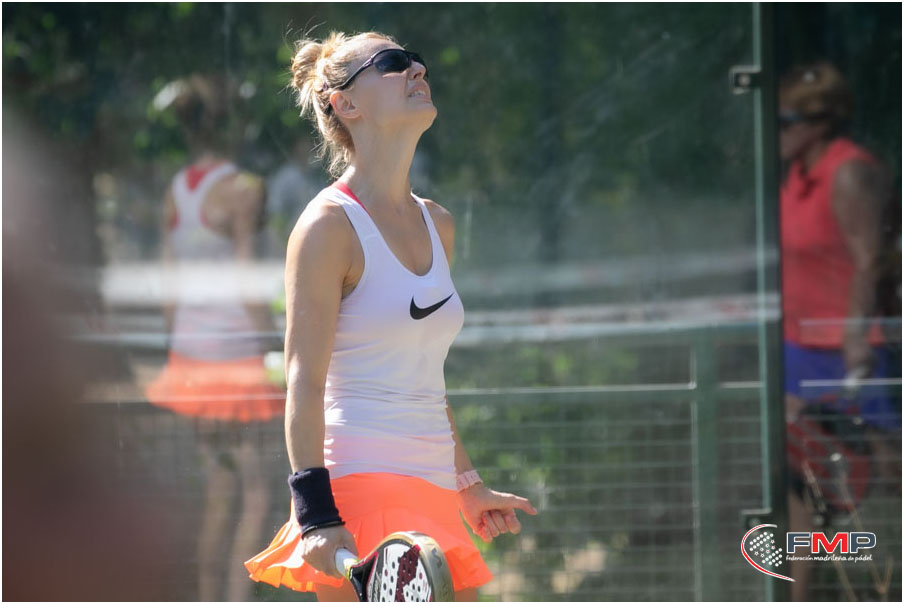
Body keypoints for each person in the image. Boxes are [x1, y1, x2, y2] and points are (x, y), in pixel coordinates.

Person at [244, 31, 537, 601]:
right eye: (393, 63)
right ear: (345, 103)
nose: (417, 70)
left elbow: (423, 375)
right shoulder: (327, 227)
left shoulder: (438, 224)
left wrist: (468, 484)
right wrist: (315, 515)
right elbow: (303, 381)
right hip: (358, 488)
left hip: (435, 491)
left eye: (416, 61)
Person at [145, 74, 285, 601]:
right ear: (234, 126)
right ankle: (234, 597)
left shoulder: (175, 190)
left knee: (219, 486)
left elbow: (169, 286)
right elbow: (248, 278)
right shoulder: (243, 189)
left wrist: (176, 348)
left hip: (193, 355)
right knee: (256, 491)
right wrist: (275, 341)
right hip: (238, 354)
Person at [779, 61, 899, 600]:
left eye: (786, 121)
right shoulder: (795, 175)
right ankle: (799, 595)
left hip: (852, 355)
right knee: (798, 484)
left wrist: (855, 337)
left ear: (821, 122)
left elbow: (871, 260)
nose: (776, 132)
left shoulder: (849, 173)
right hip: (798, 349)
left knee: (889, 478)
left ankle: (885, 583)